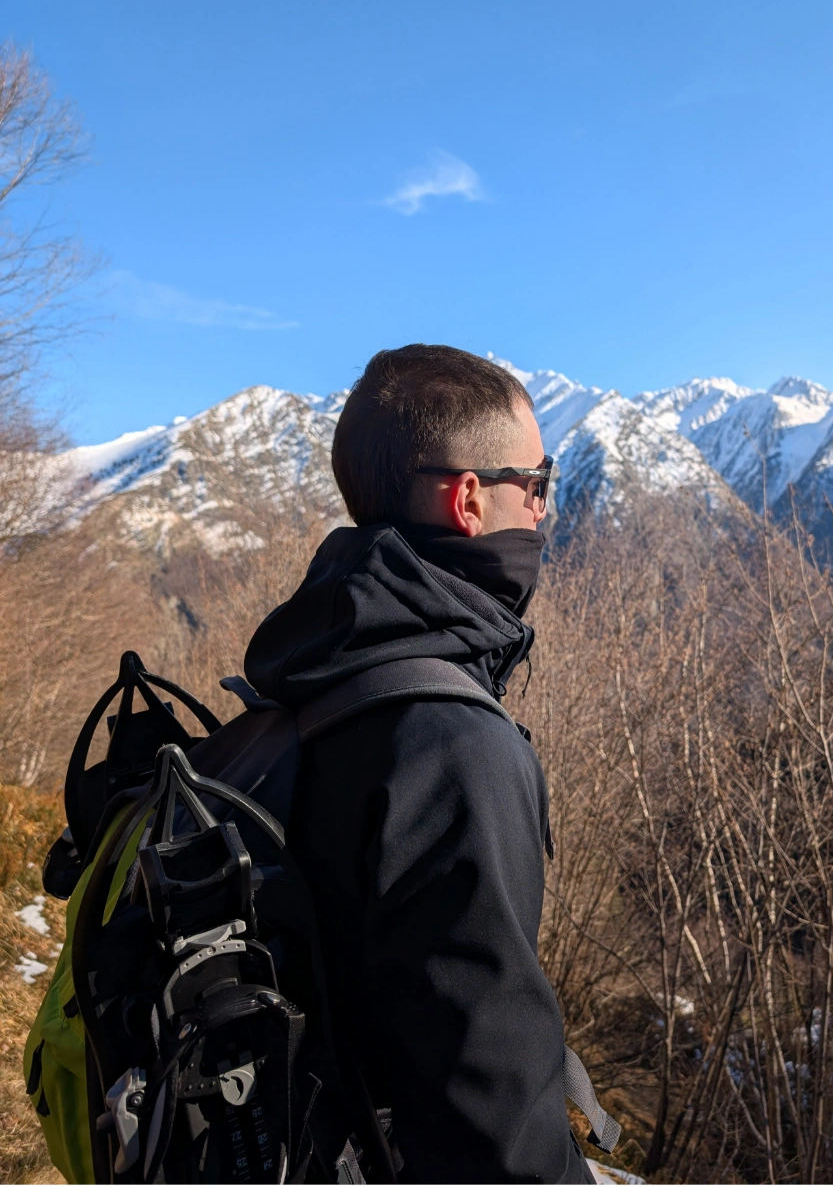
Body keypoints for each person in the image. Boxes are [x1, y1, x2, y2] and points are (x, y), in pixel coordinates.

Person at [243, 345, 594, 1187]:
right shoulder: (454, 745)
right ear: (469, 499)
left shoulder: (314, 665)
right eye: (537, 483)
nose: (544, 509)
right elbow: (496, 1129)